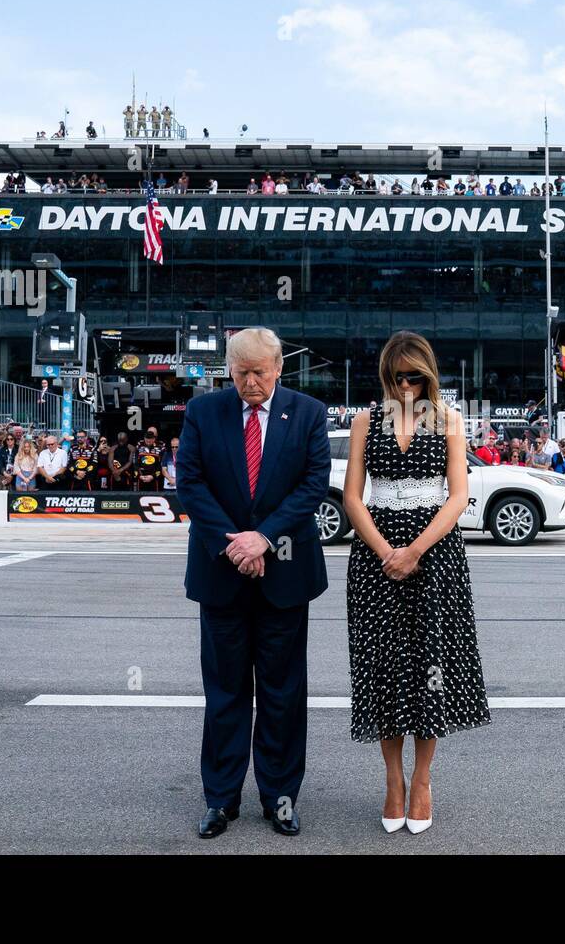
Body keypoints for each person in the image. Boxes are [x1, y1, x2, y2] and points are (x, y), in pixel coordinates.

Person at [176, 327, 331, 841]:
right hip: (221, 574)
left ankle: (280, 797)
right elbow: (190, 484)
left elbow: (312, 485)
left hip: (285, 575)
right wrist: (235, 545)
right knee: (224, 692)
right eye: (240, 372)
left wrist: (262, 538)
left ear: (279, 367)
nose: (249, 382)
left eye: (258, 372)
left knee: (284, 693)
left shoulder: (307, 413)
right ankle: (220, 799)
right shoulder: (203, 412)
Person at [340, 331, 489, 836]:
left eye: (416, 376)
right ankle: (392, 780)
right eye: (397, 375)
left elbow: (457, 496)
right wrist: (387, 553)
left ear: (429, 376)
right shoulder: (365, 421)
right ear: (385, 374)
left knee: (431, 666)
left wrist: (415, 551)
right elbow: (352, 498)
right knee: (385, 669)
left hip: (436, 555)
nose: (406, 385)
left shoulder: (449, 420)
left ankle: (423, 780)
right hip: (376, 558)